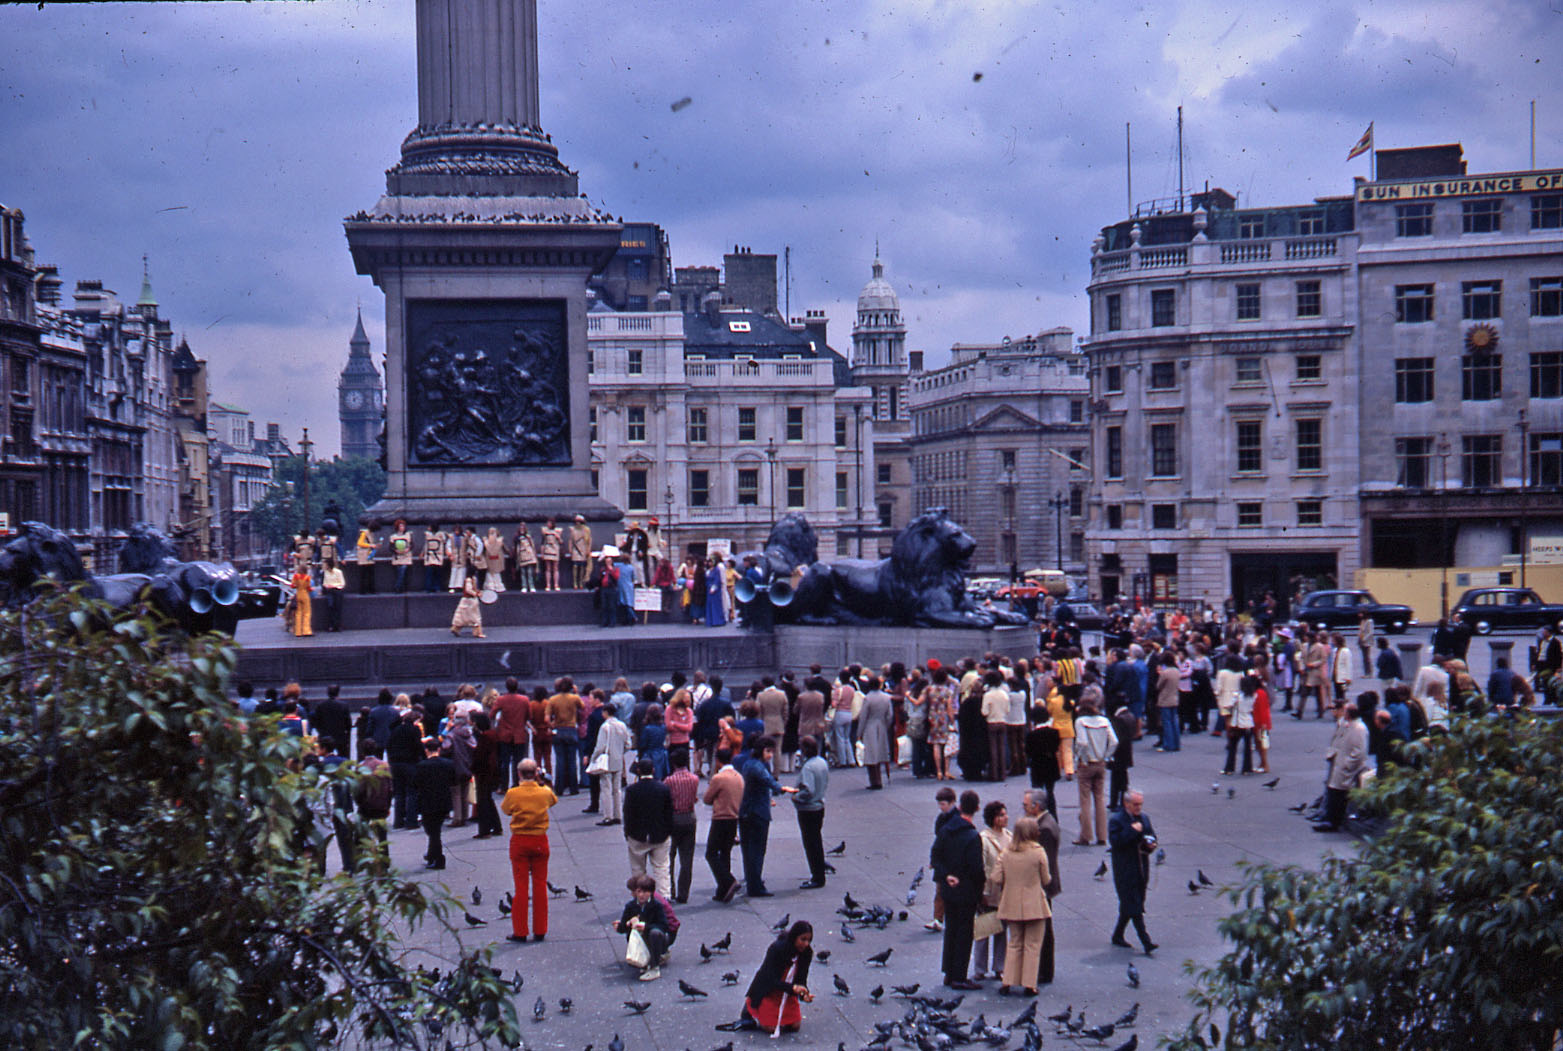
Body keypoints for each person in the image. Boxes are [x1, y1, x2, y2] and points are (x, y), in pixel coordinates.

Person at [991, 815, 1052, 997]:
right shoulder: (1038, 851)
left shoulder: (1006, 852)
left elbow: (996, 877)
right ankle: (1029, 984)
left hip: (1011, 903)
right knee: (1032, 945)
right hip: (1034, 903)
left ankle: (1007, 981)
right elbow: (1046, 879)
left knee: (1014, 943)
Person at [932, 789, 985, 989]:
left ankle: (949, 972)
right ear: (977, 809)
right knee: (964, 933)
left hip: (948, 888)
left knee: (951, 930)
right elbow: (977, 870)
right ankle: (959, 976)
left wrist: (947, 876)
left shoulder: (946, 830)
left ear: (960, 806)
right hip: (967, 891)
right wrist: (980, 894)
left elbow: (935, 856)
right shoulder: (972, 836)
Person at [719, 920, 815, 1033]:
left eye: (809, 940)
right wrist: (792, 988)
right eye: (803, 939)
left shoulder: (806, 953)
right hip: (768, 991)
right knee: (771, 1028)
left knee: (794, 1026)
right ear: (794, 937)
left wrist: (804, 994)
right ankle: (752, 1008)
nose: (806, 944)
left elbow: (801, 979)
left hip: (786, 993)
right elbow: (769, 979)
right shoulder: (777, 949)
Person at [500, 758, 557, 942]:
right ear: (536, 773)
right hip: (540, 839)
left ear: (518, 774)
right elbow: (553, 800)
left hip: (520, 840)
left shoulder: (513, 793)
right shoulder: (544, 792)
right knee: (540, 884)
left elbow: (506, 810)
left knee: (521, 887)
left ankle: (520, 931)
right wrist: (541, 782)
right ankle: (540, 929)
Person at [739, 736, 796, 898]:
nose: (771, 755)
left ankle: (753, 882)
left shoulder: (749, 764)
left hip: (747, 812)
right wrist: (782, 789)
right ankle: (755, 885)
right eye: (768, 751)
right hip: (757, 813)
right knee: (757, 851)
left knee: (749, 850)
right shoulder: (758, 767)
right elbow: (769, 782)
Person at [1019, 789, 1062, 985]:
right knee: (1044, 927)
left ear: (1036, 807)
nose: (1024, 809)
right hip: (1045, 883)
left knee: (1043, 929)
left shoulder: (1044, 828)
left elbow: (1042, 861)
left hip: (1042, 885)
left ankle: (1045, 971)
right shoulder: (1047, 822)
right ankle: (1045, 970)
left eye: (1026, 805)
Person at [1108, 790, 1158, 954]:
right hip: (1125, 869)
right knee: (1134, 906)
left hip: (1141, 868)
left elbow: (1151, 837)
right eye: (1135, 804)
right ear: (1126, 804)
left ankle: (1117, 934)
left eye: (1140, 804)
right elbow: (1116, 842)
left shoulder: (1144, 818)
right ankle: (1146, 941)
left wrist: (1151, 845)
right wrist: (1132, 831)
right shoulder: (1116, 820)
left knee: (1132, 904)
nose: (1139, 808)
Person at [1071, 689, 1117, 845]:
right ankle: (1102, 835)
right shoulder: (1104, 721)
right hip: (1100, 763)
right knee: (1100, 798)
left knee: (1084, 800)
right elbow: (1114, 741)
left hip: (1087, 763)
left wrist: (1081, 758)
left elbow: (1082, 742)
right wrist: (1106, 755)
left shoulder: (1080, 721)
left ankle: (1086, 835)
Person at [623, 760, 674, 899]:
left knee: (638, 870)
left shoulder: (632, 790)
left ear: (638, 771)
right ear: (653, 770)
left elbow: (628, 814)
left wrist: (627, 833)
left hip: (637, 835)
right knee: (661, 868)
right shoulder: (663, 788)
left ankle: (640, 897)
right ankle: (664, 896)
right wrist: (668, 831)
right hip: (660, 834)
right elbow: (669, 813)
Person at [972, 800, 1011, 982]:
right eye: (1002, 815)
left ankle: (999, 967)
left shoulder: (1010, 837)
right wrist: (983, 892)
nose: (1006, 817)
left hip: (1006, 892)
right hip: (990, 890)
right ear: (994, 819)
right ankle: (980, 968)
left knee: (1002, 930)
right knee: (984, 929)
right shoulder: (984, 839)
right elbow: (982, 867)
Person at [1315, 700, 1369, 832]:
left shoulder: (1359, 729)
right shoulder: (1347, 725)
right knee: (1334, 792)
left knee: (1339, 794)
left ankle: (1333, 821)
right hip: (1340, 763)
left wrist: (1347, 764)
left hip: (1346, 766)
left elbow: (1360, 752)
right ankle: (1330, 818)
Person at [703, 747, 744, 902]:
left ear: (718, 760)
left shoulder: (718, 778)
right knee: (725, 853)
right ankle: (723, 890)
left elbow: (707, 799)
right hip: (734, 818)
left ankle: (728, 880)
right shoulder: (738, 777)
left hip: (720, 818)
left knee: (711, 853)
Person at [613, 874, 672, 982]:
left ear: (651, 893)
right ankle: (644, 961)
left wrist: (646, 927)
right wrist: (624, 925)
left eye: (645, 892)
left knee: (655, 933)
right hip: (641, 940)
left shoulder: (657, 905)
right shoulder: (630, 906)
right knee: (634, 933)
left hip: (656, 938)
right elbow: (623, 928)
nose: (641, 895)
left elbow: (664, 926)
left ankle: (654, 967)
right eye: (639, 891)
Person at [413, 736, 456, 870]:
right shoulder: (448, 764)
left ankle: (438, 858)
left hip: (427, 801)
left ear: (426, 750)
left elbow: (415, 784)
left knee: (432, 831)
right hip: (443, 800)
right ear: (439, 749)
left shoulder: (421, 766)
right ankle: (433, 855)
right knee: (436, 829)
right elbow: (454, 781)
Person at [793, 736, 829, 888]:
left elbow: (809, 789)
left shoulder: (808, 767)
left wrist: (796, 796)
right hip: (819, 805)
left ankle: (817, 876)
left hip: (808, 808)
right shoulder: (821, 762)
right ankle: (819, 872)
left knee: (810, 843)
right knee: (816, 841)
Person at [663, 750, 700, 903]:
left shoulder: (669, 781)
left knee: (669, 857)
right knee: (687, 858)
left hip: (673, 818)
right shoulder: (694, 779)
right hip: (690, 817)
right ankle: (683, 893)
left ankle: (670, 890)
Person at [590, 703, 632, 825]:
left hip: (606, 761)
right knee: (617, 789)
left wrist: (594, 758)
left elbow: (600, 746)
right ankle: (618, 815)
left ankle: (608, 816)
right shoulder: (622, 725)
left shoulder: (605, 727)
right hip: (618, 760)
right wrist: (620, 752)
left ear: (606, 712)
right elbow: (628, 744)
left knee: (606, 788)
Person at [924, 785, 959, 932]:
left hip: (952, 860)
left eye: (943, 804)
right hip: (943, 860)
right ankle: (938, 919)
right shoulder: (942, 818)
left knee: (949, 891)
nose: (940, 807)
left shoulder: (956, 818)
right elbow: (938, 840)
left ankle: (944, 919)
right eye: (939, 804)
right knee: (940, 891)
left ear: (951, 803)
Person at [469, 712, 504, 839]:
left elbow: (480, 756)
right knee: (488, 799)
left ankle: (485, 830)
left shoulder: (485, 737)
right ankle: (496, 826)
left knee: (483, 801)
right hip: (492, 770)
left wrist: (472, 767)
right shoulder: (493, 734)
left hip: (484, 772)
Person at [546, 677, 583, 796]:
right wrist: (576, 692)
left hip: (559, 729)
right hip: (571, 729)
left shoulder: (552, 699)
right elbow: (582, 707)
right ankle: (573, 788)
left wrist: (552, 726)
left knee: (560, 760)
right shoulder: (574, 698)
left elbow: (546, 719)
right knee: (572, 760)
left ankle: (559, 788)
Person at [1023, 706, 1061, 818]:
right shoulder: (1054, 732)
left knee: (1037, 794)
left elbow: (1028, 752)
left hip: (1037, 766)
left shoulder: (1031, 735)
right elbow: (1056, 748)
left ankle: (1038, 817)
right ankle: (1053, 817)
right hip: (1051, 764)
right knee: (1050, 792)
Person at [857, 676, 894, 789]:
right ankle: (880, 779)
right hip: (881, 725)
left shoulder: (868, 698)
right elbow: (890, 715)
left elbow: (863, 717)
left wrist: (859, 733)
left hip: (870, 725)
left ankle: (874, 781)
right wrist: (886, 725)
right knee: (880, 753)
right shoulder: (887, 697)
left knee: (871, 755)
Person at [981, 671, 1010, 782]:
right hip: (1002, 722)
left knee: (993, 749)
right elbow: (1007, 710)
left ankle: (994, 774)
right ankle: (1002, 774)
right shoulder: (1004, 694)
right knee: (1001, 748)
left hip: (992, 722)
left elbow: (984, 712)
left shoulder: (988, 695)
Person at [289, 560, 313, 637]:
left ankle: (298, 631)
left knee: (298, 613)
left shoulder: (295, 576)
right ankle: (306, 631)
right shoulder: (307, 578)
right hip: (305, 594)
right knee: (307, 613)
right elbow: (308, 588)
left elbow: (292, 586)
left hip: (298, 594)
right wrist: (312, 589)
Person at [569, 514, 593, 590]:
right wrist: (570, 549)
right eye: (576, 521)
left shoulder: (586, 530)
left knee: (582, 567)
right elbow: (570, 540)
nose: (577, 523)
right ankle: (575, 582)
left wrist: (588, 550)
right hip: (576, 550)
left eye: (579, 521)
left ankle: (580, 582)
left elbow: (589, 540)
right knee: (575, 566)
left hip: (583, 549)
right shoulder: (573, 529)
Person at [389, 519, 414, 592]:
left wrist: (408, 549)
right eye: (400, 526)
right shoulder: (393, 537)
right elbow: (391, 547)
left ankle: (397, 586)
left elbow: (412, 545)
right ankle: (400, 587)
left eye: (403, 526)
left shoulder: (408, 535)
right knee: (399, 572)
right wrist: (396, 551)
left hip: (406, 557)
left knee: (403, 569)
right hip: (397, 557)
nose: (402, 527)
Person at [320, 559, 345, 632]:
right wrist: (327, 586)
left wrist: (333, 585)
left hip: (337, 590)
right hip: (329, 591)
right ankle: (331, 625)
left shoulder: (338, 572)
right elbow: (324, 583)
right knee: (330, 607)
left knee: (338, 607)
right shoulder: (325, 573)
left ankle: (338, 625)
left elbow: (342, 583)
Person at [421, 522, 447, 593]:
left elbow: (444, 542)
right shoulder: (428, 535)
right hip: (429, 556)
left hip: (437, 555)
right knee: (429, 573)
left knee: (437, 573)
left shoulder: (441, 535)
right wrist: (422, 553)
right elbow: (426, 545)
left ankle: (437, 587)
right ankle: (428, 587)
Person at [512, 522, 538, 592]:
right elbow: (515, 547)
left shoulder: (528, 537)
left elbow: (532, 546)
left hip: (529, 556)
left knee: (529, 572)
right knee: (523, 572)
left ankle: (531, 586)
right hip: (521, 556)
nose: (522, 529)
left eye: (523, 528)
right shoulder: (517, 538)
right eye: (521, 528)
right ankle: (524, 586)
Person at [538, 517, 562, 591]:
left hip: (555, 549)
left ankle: (556, 584)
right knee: (548, 568)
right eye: (547, 523)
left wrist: (558, 537)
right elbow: (542, 543)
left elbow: (561, 542)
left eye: (549, 523)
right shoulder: (544, 531)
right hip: (547, 550)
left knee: (555, 568)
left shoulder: (557, 531)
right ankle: (548, 585)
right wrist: (542, 553)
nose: (548, 524)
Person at [482, 526, 507, 594]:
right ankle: (490, 587)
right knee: (490, 574)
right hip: (489, 560)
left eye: (493, 532)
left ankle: (498, 586)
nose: (492, 534)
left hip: (497, 560)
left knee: (496, 573)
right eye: (491, 533)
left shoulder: (499, 541)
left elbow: (505, 549)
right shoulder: (486, 542)